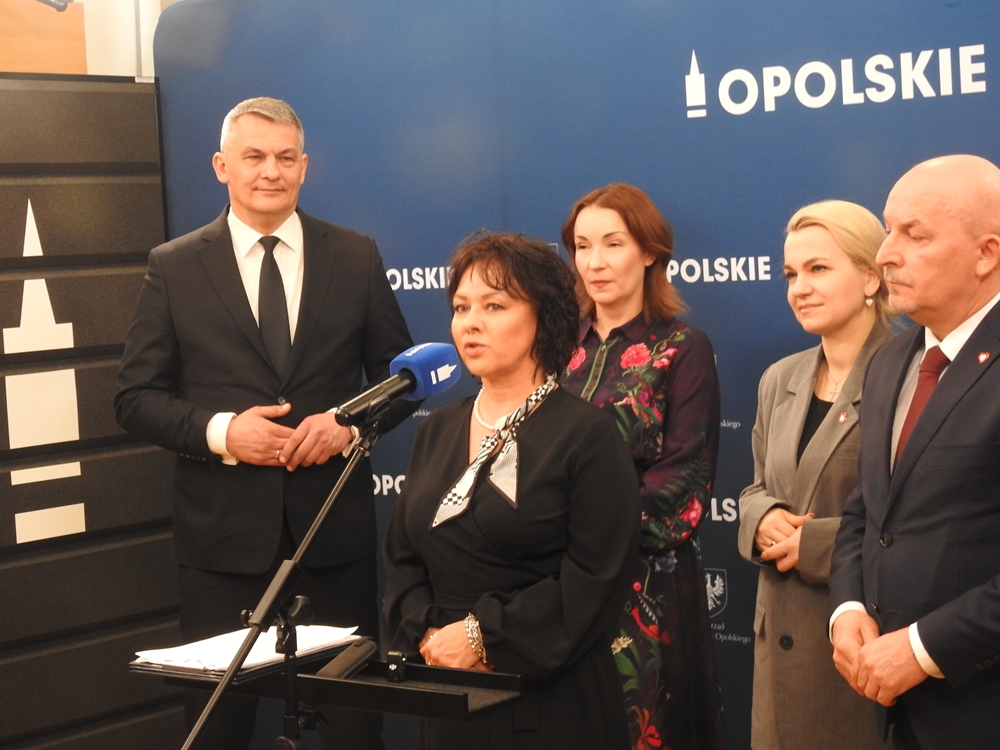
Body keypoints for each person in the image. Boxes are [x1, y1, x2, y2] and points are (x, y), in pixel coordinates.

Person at [115, 97, 415, 749]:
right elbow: (135, 397)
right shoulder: (174, 266)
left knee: (350, 727)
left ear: (305, 166)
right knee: (218, 728)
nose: (270, 171)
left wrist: (347, 426)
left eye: (284, 157)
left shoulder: (356, 256)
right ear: (222, 166)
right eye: (253, 156)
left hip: (331, 539)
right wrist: (224, 433)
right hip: (221, 549)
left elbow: (402, 381)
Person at [383, 232, 640, 749]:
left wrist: (480, 637)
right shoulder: (436, 428)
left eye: (494, 306)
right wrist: (428, 635)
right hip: (447, 690)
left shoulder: (586, 433)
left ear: (544, 317)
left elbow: (596, 576)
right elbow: (404, 558)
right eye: (461, 307)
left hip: (549, 700)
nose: (470, 323)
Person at [828, 154, 1000, 749]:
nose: (884, 254)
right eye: (887, 229)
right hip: (899, 714)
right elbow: (866, 509)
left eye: (914, 235)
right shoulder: (890, 361)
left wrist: (924, 649)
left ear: (986, 253)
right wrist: (847, 608)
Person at [560, 183, 726, 750]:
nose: (594, 263)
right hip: (554, 591)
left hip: (645, 589)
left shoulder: (683, 348)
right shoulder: (556, 350)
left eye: (613, 243)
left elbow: (683, 485)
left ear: (650, 251)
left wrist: (577, 531)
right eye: (583, 246)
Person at [738, 200, 892, 749]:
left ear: (871, 277)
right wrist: (761, 518)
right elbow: (755, 489)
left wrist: (819, 545)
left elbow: (921, 520)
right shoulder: (779, 378)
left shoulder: (910, 373)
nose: (799, 288)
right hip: (776, 651)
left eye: (818, 269)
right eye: (790, 274)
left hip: (862, 646)